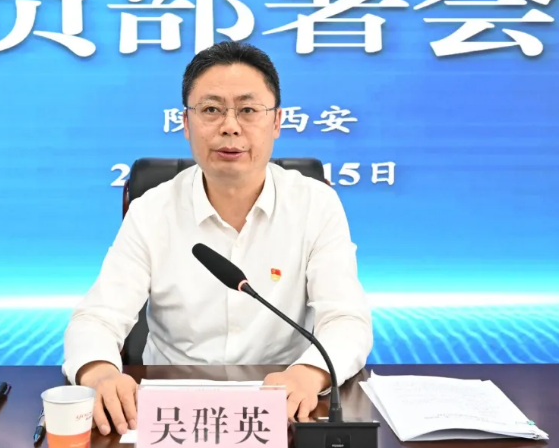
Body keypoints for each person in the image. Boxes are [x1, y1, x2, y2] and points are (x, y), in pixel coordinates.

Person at [63, 41, 372, 436]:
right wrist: (101, 374)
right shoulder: (152, 210)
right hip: (169, 412)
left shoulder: (315, 204)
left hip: (282, 406)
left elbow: (346, 319)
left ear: (277, 122)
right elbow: (96, 318)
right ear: (186, 123)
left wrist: (308, 374)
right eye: (211, 110)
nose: (230, 126)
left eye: (248, 110)